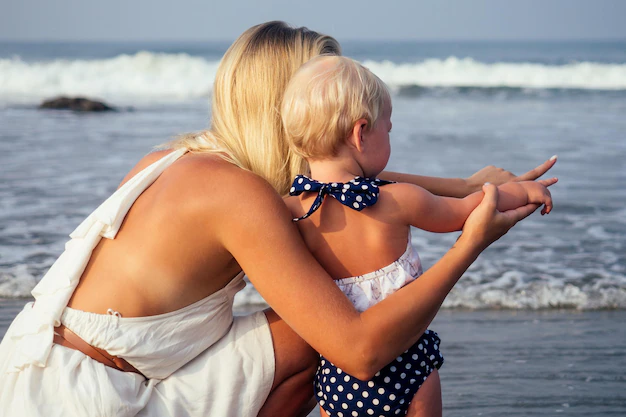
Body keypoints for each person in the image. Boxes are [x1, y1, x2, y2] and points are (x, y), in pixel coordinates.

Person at [0, 22, 556, 417]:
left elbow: (351, 189)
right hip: (92, 404)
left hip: (33, 379)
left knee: (319, 316)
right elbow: (361, 354)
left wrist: (468, 186)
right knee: (328, 328)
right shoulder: (241, 197)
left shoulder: (177, 160)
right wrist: (469, 245)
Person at [281, 55, 556, 417]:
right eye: (388, 128)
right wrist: (526, 192)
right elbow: (471, 210)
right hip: (408, 363)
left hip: (338, 374)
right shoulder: (397, 199)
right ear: (361, 133)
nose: (390, 135)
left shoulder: (289, 213)